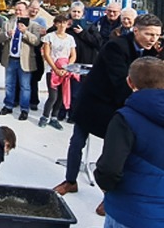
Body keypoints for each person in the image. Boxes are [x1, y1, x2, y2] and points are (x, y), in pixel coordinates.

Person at [53, 14, 162, 216]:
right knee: (77, 141)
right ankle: (70, 181)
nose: (153, 39)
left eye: (157, 35)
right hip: (96, 102)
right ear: (136, 31)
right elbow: (120, 82)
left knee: (113, 151)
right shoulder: (117, 47)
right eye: (149, 34)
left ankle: (107, 197)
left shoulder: (152, 51)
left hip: (120, 104)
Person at [94, 56, 164, 228]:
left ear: (130, 82)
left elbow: (109, 169)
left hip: (130, 212)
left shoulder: (126, 118)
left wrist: (105, 185)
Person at [0, 1, 41, 121]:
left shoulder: (33, 25)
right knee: (9, 84)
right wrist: (6, 34)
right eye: (16, 9)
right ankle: (8, 105)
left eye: (20, 10)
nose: (17, 12)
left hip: (25, 61)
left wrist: (24, 32)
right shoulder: (8, 23)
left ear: (26, 11)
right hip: (10, 59)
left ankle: (24, 109)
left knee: (25, 86)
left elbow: (36, 41)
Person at [39, 15, 76, 130]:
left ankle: (54, 117)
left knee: (61, 96)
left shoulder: (70, 38)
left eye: (64, 23)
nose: (61, 25)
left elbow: (73, 55)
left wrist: (67, 68)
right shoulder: (49, 37)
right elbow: (47, 54)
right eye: (59, 23)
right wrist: (55, 69)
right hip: (52, 70)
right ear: (55, 24)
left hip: (65, 70)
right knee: (53, 96)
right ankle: (45, 116)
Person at [27, 0, 47, 110]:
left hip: (35, 51)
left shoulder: (41, 21)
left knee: (34, 78)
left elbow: (43, 36)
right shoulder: (24, 18)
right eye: (33, 8)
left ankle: (34, 100)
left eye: (37, 9)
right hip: (23, 51)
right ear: (28, 7)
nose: (34, 10)